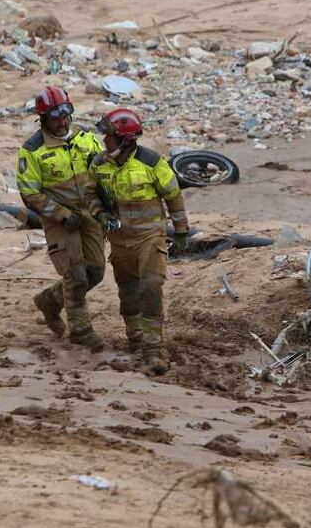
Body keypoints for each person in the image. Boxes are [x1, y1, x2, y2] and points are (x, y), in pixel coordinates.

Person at [89, 108, 189, 375]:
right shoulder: (99, 164)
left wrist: (181, 232)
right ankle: (135, 341)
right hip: (120, 241)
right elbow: (91, 197)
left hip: (150, 238)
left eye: (107, 136)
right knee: (128, 292)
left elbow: (174, 196)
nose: (103, 140)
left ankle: (153, 348)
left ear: (124, 139)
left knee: (151, 287)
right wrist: (100, 215)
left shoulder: (152, 162)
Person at [17, 85, 106, 351]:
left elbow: (102, 172)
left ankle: (50, 300)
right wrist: (60, 214)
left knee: (95, 272)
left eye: (66, 114)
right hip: (59, 219)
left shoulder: (86, 138)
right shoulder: (32, 151)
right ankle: (81, 331)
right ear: (43, 118)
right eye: (56, 117)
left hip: (90, 213)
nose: (63, 121)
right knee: (76, 274)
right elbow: (29, 192)